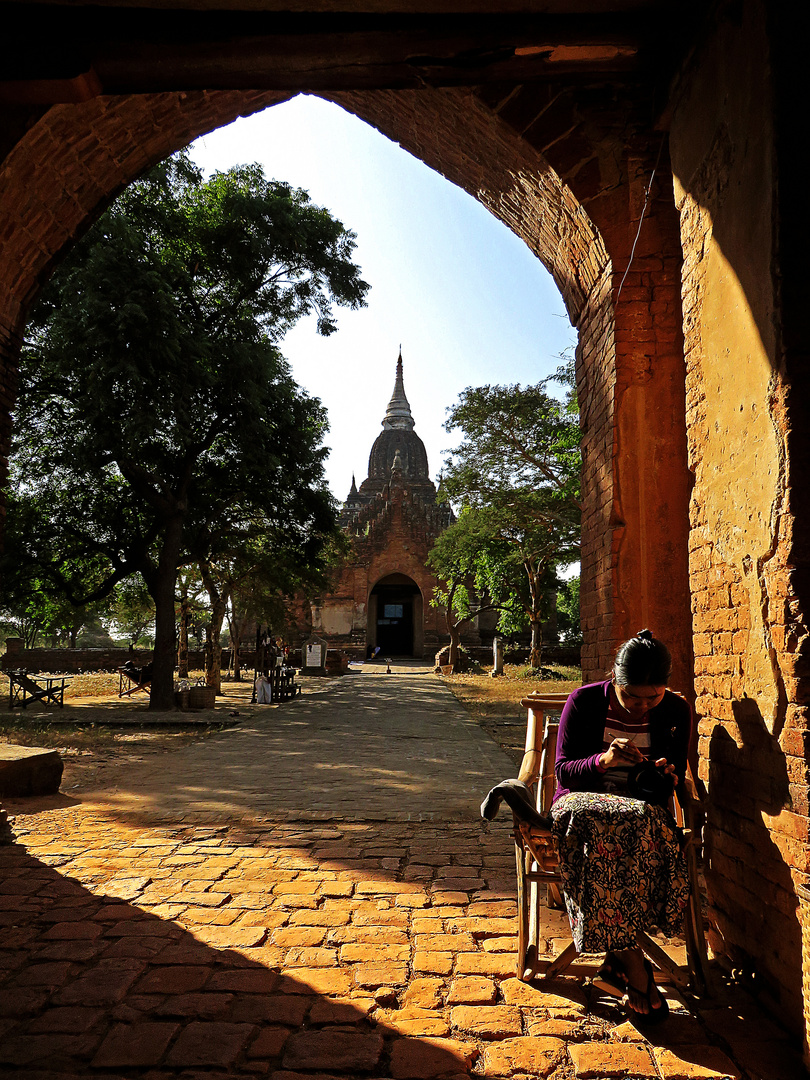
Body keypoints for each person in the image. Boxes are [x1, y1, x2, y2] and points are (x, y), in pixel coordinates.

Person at [551, 629, 691, 1022]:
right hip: (581, 806)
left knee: (636, 821)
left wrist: (667, 773)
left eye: (653, 697)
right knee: (601, 821)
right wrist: (603, 761)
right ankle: (635, 964)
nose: (642, 707)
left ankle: (619, 960)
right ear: (615, 680)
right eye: (632, 697)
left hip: (640, 812)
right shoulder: (584, 701)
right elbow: (563, 771)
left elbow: (673, 772)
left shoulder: (676, 710)